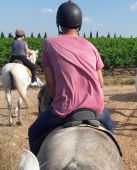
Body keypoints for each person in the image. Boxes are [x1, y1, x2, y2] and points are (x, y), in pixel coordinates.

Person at [28, 1, 114, 156]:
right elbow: (101, 82)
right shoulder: (91, 46)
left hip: (64, 109)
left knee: (33, 132)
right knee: (110, 128)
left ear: (58, 23)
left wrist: (59, 100)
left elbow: (50, 83)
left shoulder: (49, 43)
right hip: (96, 109)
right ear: (79, 23)